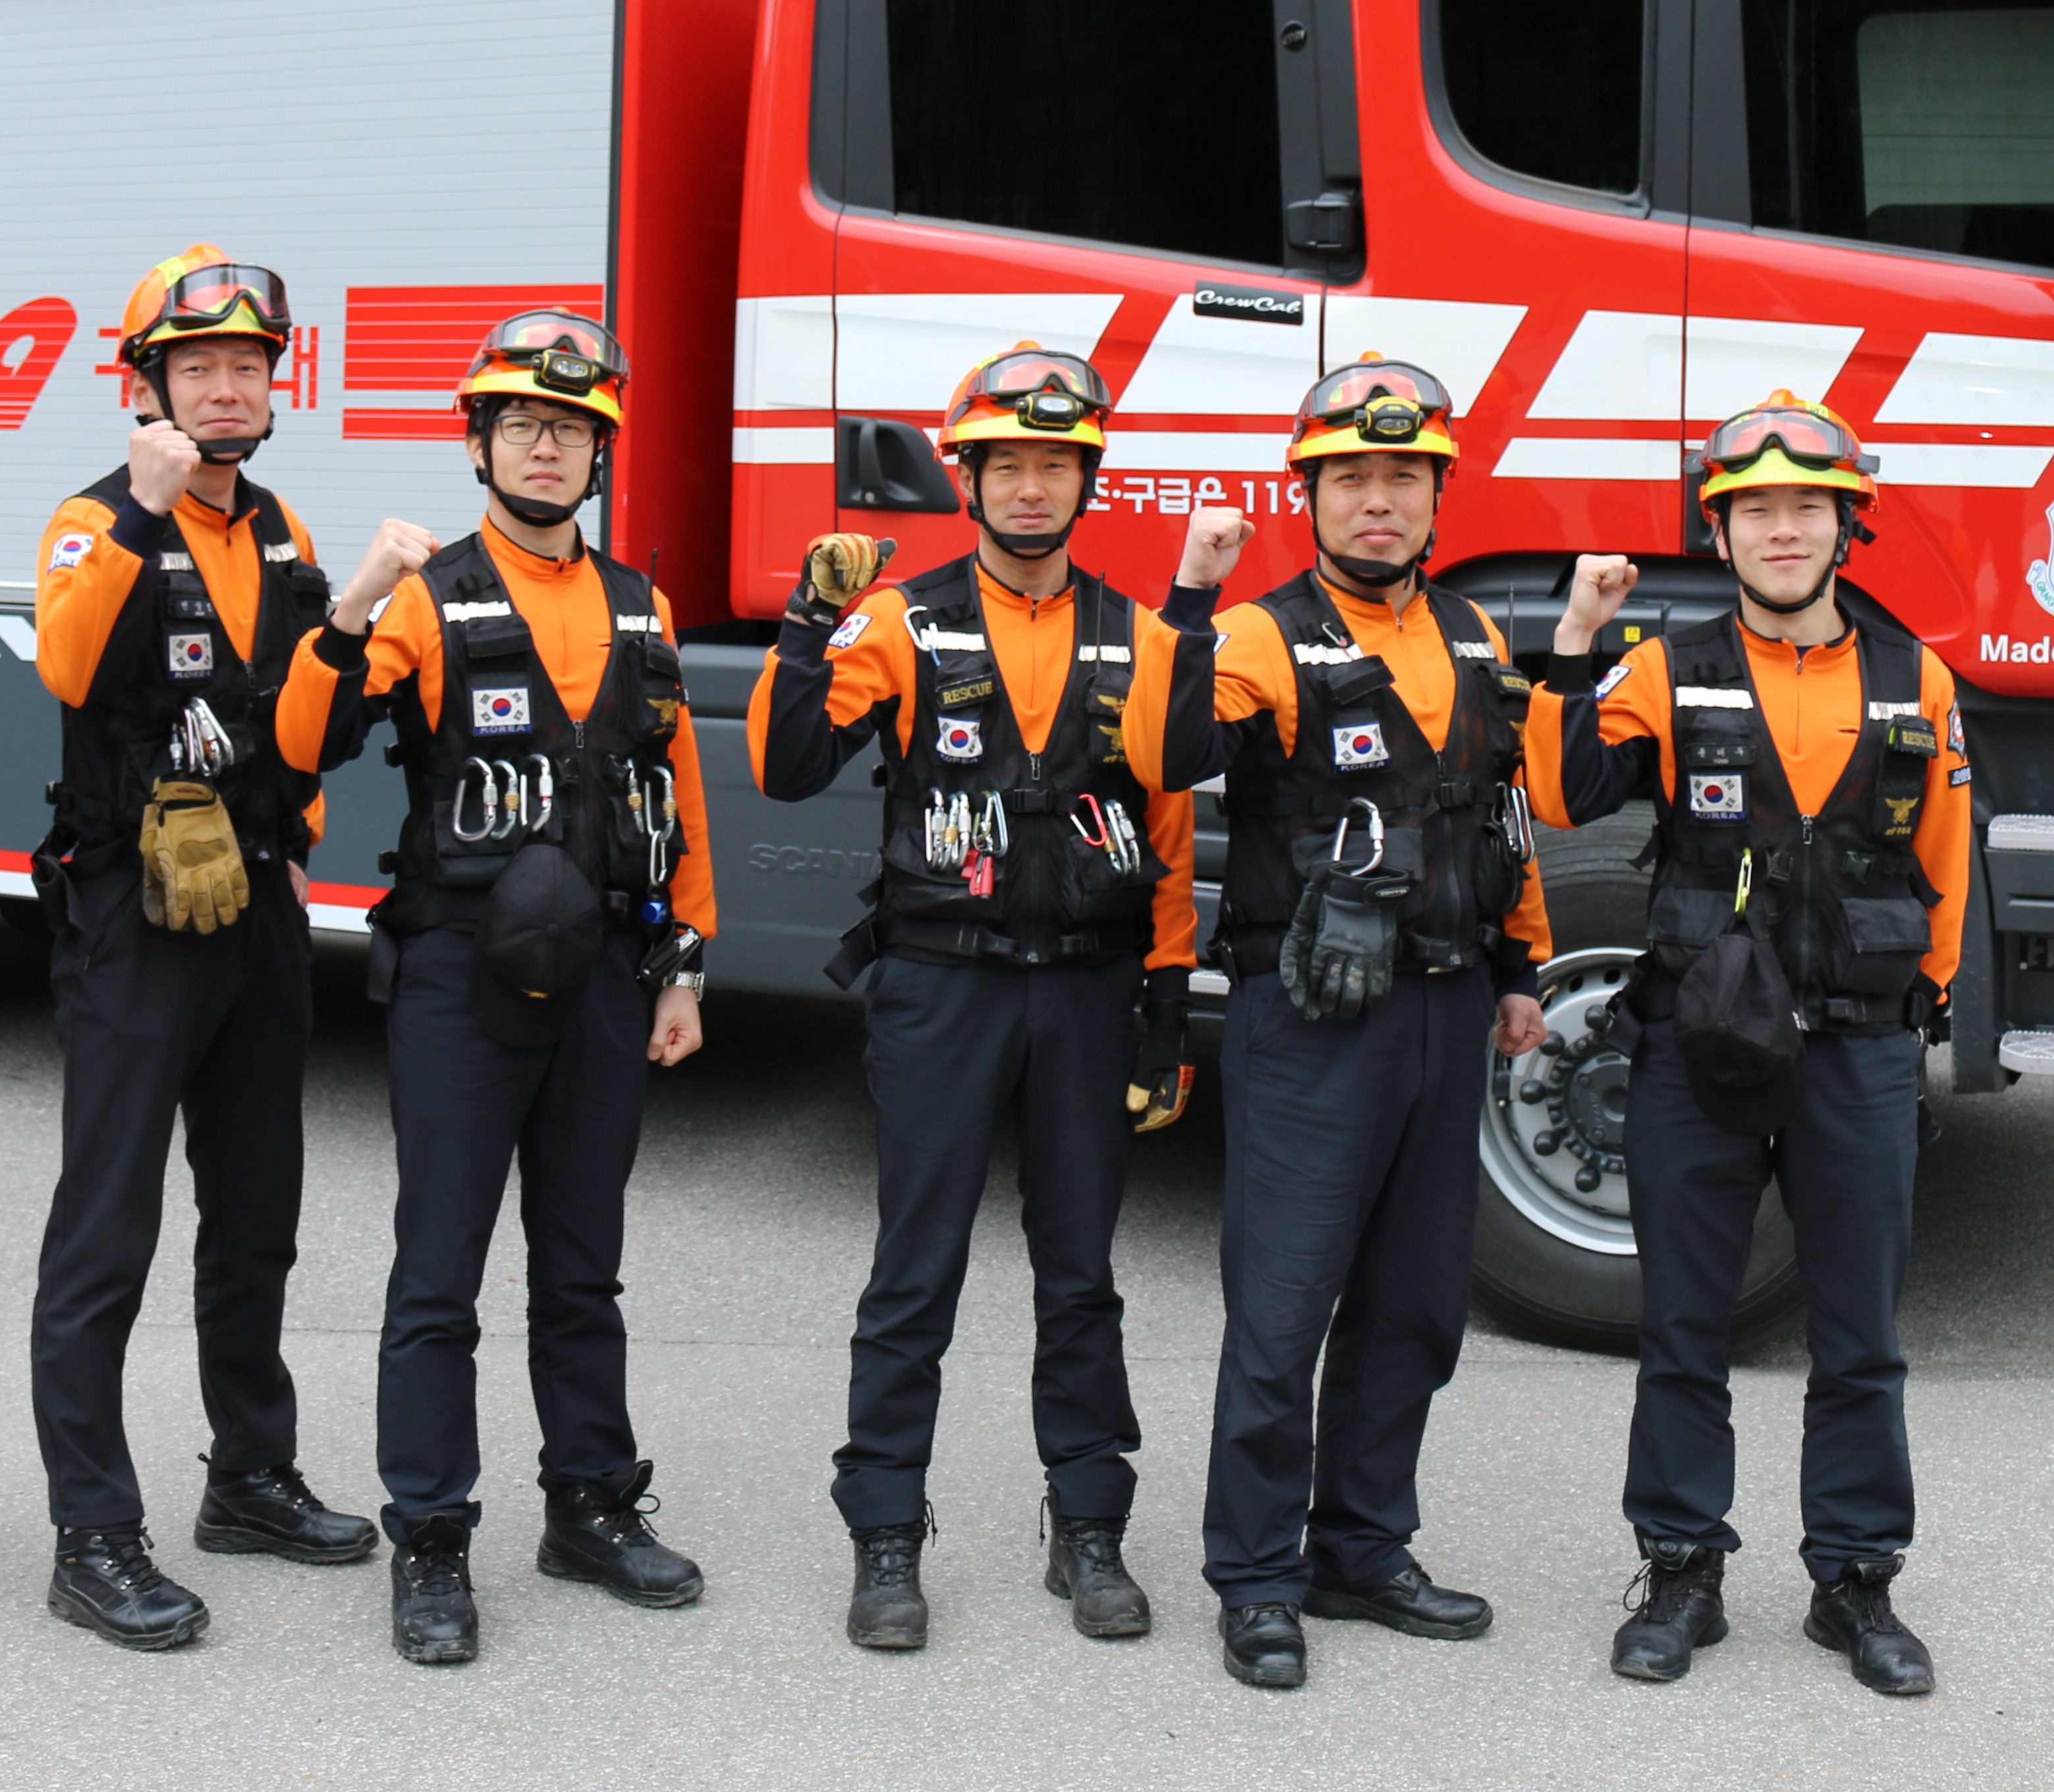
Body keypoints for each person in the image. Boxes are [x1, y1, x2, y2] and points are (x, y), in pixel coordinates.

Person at [748, 344, 1213, 1654]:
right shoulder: (902, 622)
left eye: (1054, 465)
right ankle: (886, 1534)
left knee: (1082, 1279)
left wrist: (1165, 1012)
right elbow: (785, 766)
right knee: (916, 1273)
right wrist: (807, 623)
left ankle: (1091, 1529)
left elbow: (1168, 837)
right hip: (940, 987)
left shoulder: (1140, 635)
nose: (1028, 487)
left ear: (1088, 482)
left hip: (1088, 994)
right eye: (1005, 464)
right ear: (968, 480)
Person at [275, 309, 715, 1667]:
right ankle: (430, 1538)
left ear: (600, 455)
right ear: (479, 445)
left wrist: (684, 965)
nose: (546, 447)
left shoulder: (640, 605)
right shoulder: (426, 596)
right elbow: (303, 742)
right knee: (440, 1272)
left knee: (583, 1271)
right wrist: (353, 603)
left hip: (604, 980)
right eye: (522, 424)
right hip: (461, 979)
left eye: (572, 430)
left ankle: (590, 1507)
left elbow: (676, 794)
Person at [1524, 391, 1971, 1699]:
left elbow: (1946, 867)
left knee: (1860, 1338)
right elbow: (1561, 793)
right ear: (1718, 536)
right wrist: (1576, 637)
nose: (1782, 530)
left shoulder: (1917, 679)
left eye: (1806, 509)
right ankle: (1681, 1575)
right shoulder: (1668, 670)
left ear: (1847, 526)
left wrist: (1910, 1020)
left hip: (1860, 1055)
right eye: (1755, 510)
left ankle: (1855, 1583)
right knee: (1684, 1326)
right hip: (1698, 1050)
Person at [1151, 354, 1553, 1693]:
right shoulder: (1260, 637)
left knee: (1415, 1307)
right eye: (1351, 481)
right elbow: (1169, 757)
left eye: (1402, 480)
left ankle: (1362, 1549)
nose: (1378, 502)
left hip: (1447, 1008)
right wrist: (1192, 600)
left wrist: (1522, 966)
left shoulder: (1475, 635)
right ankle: (1258, 1577)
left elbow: (1499, 814)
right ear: (1308, 498)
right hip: (1314, 1021)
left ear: (1438, 497)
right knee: (1284, 1308)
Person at [21, 248, 372, 1654]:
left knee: (257, 1213)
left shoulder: (279, 526)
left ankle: (250, 1477)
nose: (226, 388)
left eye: (247, 366)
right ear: (147, 387)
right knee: (107, 1232)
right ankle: (92, 1536)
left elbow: (297, 715)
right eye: (197, 368)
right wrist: (141, 512)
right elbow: (63, 666)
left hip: (257, 911)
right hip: (134, 916)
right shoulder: (92, 518)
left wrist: (301, 818)